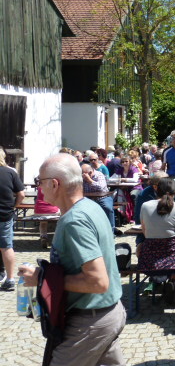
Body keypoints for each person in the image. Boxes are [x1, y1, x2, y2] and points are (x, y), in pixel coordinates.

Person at [19, 153, 126, 365]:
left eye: (40, 182)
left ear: (54, 184)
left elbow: (98, 281)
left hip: (90, 322)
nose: (39, 188)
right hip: (107, 313)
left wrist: (42, 278)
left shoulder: (74, 221)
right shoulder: (90, 207)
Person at [138, 178, 175, 309]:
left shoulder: (145, 206)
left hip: (150, 257)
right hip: (173, 255)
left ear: (156, 190)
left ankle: (173, 280)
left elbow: (145, 232)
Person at [0, 149, 24, 290]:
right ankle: (10, 279)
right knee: (6, 247)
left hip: (4, 214)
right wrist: (14, 206)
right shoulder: (10, 172)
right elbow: (21, 194)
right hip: (5, 214)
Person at [80, 163, 118, 236]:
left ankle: (111, 231)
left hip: (102, 197)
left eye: (83, 174)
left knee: (107, 208)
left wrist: (89, 180)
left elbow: (101, 188)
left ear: (90, 172)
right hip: (87, 199)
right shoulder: (81, 177)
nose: (82, 175)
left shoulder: (99, 175)